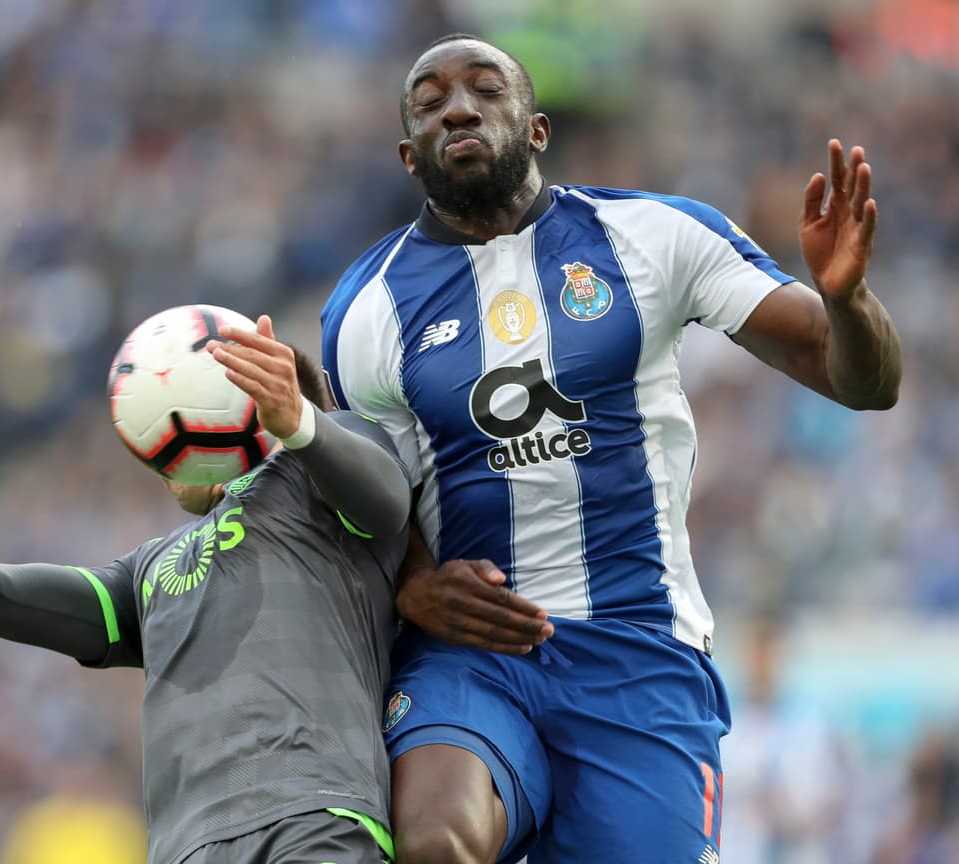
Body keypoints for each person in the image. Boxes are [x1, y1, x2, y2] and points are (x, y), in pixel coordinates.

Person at [320, 32, 902, 864]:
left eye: (485, 89)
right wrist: (413, 583)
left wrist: (846, 302)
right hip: (471, 656)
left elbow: (861, 381)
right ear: (408, 156)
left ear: (539, 128)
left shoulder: (652, 238)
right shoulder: (364, 310)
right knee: (437, 843)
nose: (457, 106)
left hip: (638, 652)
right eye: (430, 100)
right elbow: (361, 492)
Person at [0, 316, 410, 864]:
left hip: (314, 818)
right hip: (187, 848)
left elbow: (385, 500)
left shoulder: (321, 479)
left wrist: (298, 424)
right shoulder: (151, 571)